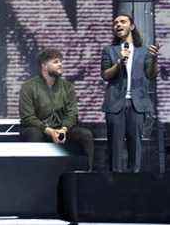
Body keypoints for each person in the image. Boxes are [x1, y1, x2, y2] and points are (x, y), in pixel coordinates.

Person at [101, 14, 159, 172]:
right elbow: (106, 75)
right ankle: (115, 183)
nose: (118, 25)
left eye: (122, 22)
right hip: (115, 104)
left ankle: (135, 182)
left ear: (131, 26)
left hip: (137, 104)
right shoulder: (109, 50)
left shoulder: (144, 51)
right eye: (115, 23)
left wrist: (154, 59)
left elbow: (151, 75)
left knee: (135, 146)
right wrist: (120, 62)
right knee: (115, 147)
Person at [19, 48, 94, 170]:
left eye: (60, 61)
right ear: (44, 66)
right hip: (39, 129)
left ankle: (86, 174)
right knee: (33, 134)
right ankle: (34, 174)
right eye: (55, 62)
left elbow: (72, 113)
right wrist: (49, 131)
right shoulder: (28, 87)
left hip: (61, 129)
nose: (60, 64)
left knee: (85, 134)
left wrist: (63, 129)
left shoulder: (67, 87)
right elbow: (28, 117)